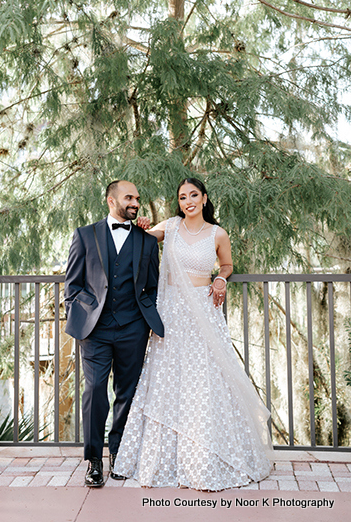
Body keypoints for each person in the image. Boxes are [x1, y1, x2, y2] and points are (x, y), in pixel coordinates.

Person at [114, 178, 273, 490]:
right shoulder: (171, 226)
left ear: (204, 198)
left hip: (202, 311)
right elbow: (141, 236)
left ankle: (206, 456)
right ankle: (164, 459)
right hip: (170, 311)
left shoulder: (218, 233)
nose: (188, 201)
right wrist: (144, 224)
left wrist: (221, 279)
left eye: (193, 196)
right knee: (167, 378)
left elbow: (226, 265)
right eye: (182, 196)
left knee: (206, 378)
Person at [64, 180, 164, 487]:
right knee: (95, 391)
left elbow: (152, 286)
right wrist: (81, 313)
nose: (135, 202)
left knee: (127, 393)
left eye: (137, 197)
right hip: (95, 329)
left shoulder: (146, 241)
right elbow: (73, 284)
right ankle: (94, 459)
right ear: (112, 200)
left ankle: (119, 454)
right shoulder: (85, 235)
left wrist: (145, 319)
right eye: (129, 197)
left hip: (134, 327)